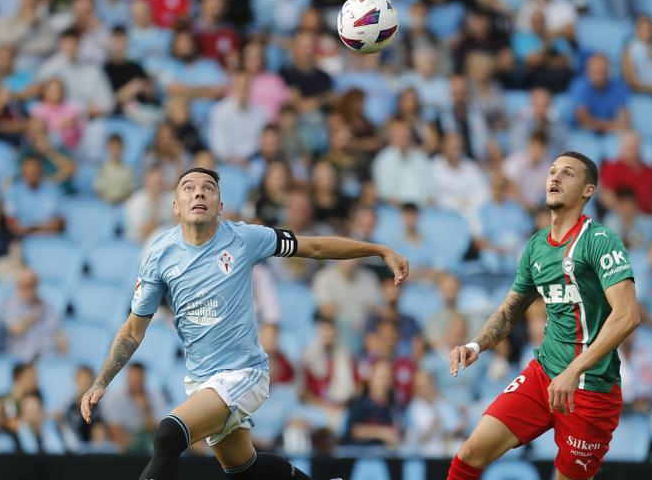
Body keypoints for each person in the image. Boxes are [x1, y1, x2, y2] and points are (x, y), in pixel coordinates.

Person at [80, 167, 408, 480]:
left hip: (244, 373)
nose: (199, 194)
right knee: (245, 472)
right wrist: (101, 382)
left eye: (208, 189)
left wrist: (378, 250)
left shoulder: (243, 238)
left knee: (168, 435)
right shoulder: (159, 254)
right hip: (201, 380)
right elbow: (133, 330)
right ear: (175, 206)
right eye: (189, 188)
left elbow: (316, 246)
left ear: (219, 206)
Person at [445, 151, 639, 480]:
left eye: (567, 173)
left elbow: (628, 316)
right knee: (470, 454)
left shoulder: (601, 241)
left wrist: (573, 372)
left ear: (588, 190)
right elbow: (510, 311)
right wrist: (475, 346)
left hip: (591, 389)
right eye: (552, 172)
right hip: (543, 375)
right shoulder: (536, 246)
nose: (554, 178)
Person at [0, 268, 66, 362]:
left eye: (31, 285)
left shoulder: (48, 307)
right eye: (23, 285)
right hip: (21, 360)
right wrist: (36, 314)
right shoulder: (9, 305)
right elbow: (16, 329)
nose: (28, 289)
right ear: (17, 286)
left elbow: (60, 335)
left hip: (47, 358)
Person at [570, 54, 630, 134]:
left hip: (610, 133)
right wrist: (609, 126)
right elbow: (583, 119)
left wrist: (604, 126)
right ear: (587, 71)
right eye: (595, 72)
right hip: (585, 132)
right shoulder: (580, 86)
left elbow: (623, 120)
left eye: (602, 72)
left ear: (608, 72)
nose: (599, 76)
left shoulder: (619, 87)